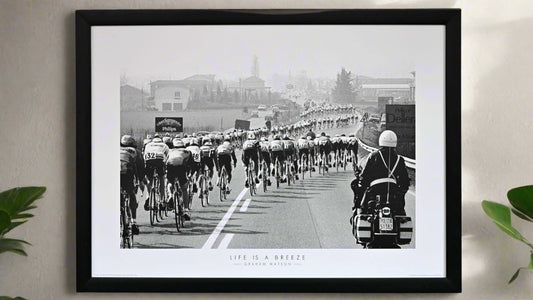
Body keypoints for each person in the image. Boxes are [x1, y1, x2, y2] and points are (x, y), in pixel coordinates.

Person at [353, 130, 410, 216]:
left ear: (381, 140)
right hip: (393, 191)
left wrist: (361, 185)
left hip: (374, 190)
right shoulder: (399, 159)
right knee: (401, 214)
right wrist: (400, 192)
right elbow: (405, 181)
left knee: (363, 211)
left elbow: (365, 176)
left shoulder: (373, 156)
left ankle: (357, 212)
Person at [120, 135, 144, 235]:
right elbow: (140, 167)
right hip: (127, 173)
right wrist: (141, 181)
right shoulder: (135, 152)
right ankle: (133, 222)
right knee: (131, 194)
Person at [165, 139, 193, 220]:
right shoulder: (187, 151)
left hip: (170, 166)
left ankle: (170, 195)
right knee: (184, 188)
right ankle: (186, 210)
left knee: (170, 182)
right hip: (180, 167)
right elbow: (191, 164)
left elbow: (165, 160)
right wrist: (189, 173)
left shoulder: (170, 151)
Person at [143, 137, 169, 213]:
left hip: (149, 161)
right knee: (161, 178)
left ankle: (148, 196)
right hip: (159, 160)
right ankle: (161, 200)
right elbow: (168, 156)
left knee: (149, 179)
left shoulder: (148, 144)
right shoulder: (164, 145)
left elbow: (144, 155)